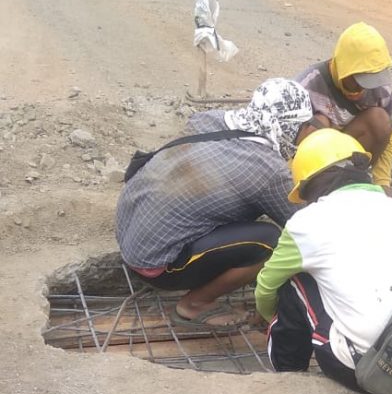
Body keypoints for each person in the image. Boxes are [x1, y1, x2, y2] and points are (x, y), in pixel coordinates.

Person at [254, 128, 392, 391]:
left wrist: (269, 315)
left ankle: (288, 374)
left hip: (361, 369)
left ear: (312, 184)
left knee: (294, 282)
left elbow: (266, 287)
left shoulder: (306, 223)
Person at [116, 78, 317, 326]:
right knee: (270, 241)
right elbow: (305, 226)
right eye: (303, 125)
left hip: (129, 234)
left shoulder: (210, 120)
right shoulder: (267, 169)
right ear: (289, 126)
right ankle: (194, 305)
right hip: (156, 264)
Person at [296, 22, 392, 188]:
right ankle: (316, 187)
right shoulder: (307, 86)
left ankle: (354, 179)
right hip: (315, 160)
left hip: (350, 152)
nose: (364, 87)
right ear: (344, 67)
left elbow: (389, 137)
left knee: (380, 120)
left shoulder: (380, 90)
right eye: (359, 80)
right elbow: (286, 143)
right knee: (319, 123)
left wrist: (382, 182)